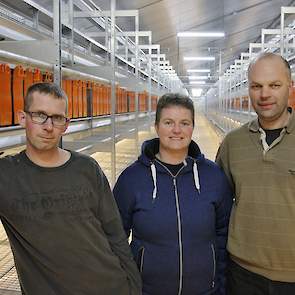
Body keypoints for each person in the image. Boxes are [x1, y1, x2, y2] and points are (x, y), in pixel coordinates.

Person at [0, 82, 141, 295]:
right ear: (22, 118)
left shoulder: (87, 168)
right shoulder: (6, 175)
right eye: (39, 115)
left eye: (57, 118)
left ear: (66, 125)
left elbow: (115, 233)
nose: (48, 126)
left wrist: (133, 285)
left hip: (112, 286)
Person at [113, 93, 232, 295]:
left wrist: (219, 285)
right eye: (168, 122)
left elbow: (224, 234)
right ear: (157, 126)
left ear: (193, 127)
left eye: (184, 123)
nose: (177, 130)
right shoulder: (132, 179)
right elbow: (115, 238)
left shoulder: (213, 177)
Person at [216, 52, 295, 295]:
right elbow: (217, 202)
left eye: (274, 85)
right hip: (242, 273)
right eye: (256, 86)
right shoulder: (232, 143)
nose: (264, 94)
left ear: (290, 87)